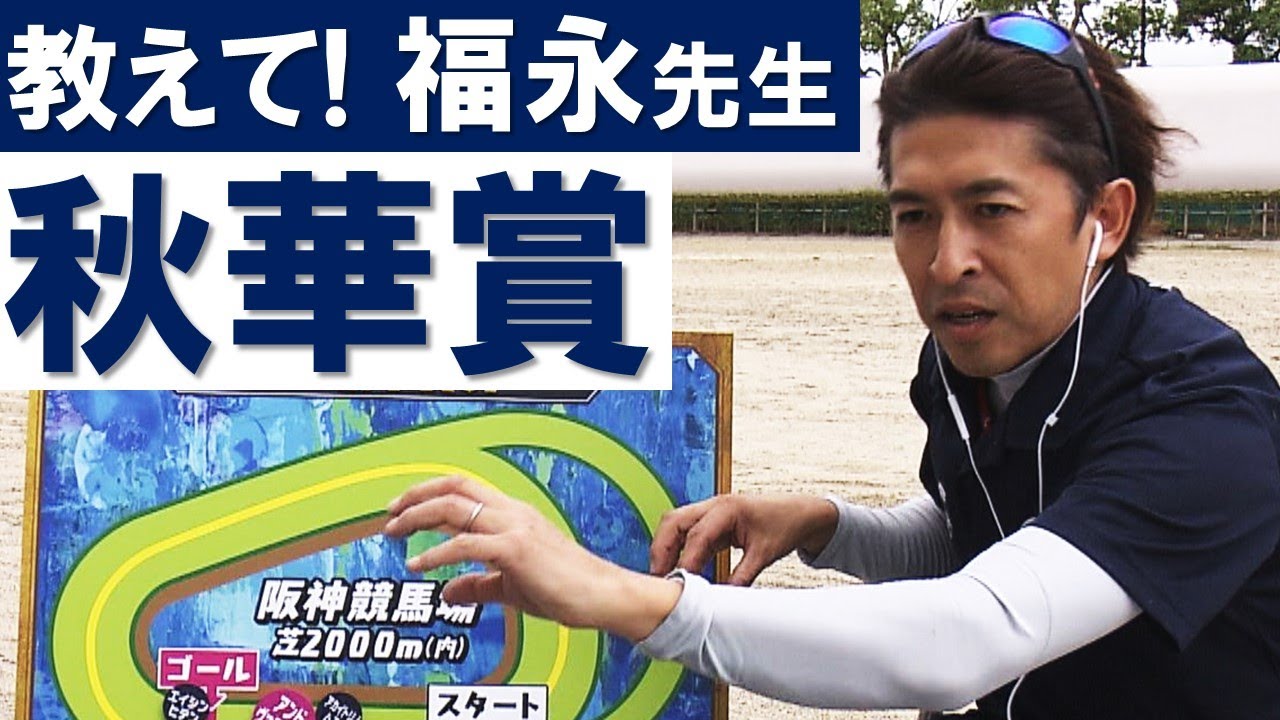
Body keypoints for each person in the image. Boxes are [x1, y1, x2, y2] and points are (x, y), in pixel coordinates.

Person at [384, 13, 1280, 719]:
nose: (946, 261)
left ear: (1106, 219)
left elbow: (968, 637)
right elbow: (987, 534)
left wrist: (615, 596)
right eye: (914, 215)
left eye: (993, 209)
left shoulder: (1205, 416)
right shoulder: (974, 358)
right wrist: (827, 525)